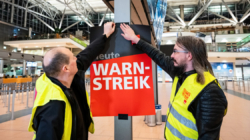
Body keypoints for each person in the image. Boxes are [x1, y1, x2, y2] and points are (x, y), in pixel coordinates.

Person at [120, 23, 227, 140]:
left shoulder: (209, 92)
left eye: (175, 51)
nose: (171, 55)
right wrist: (135, 39)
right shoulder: (179, 73)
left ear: (189, 56)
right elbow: (158, 56)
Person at [28, 22, 116, 140]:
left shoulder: (61, 77)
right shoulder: (53, 105)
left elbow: (86, 54)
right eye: (73, 58)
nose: (76, 58)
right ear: (66, 68)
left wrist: (105, 35)